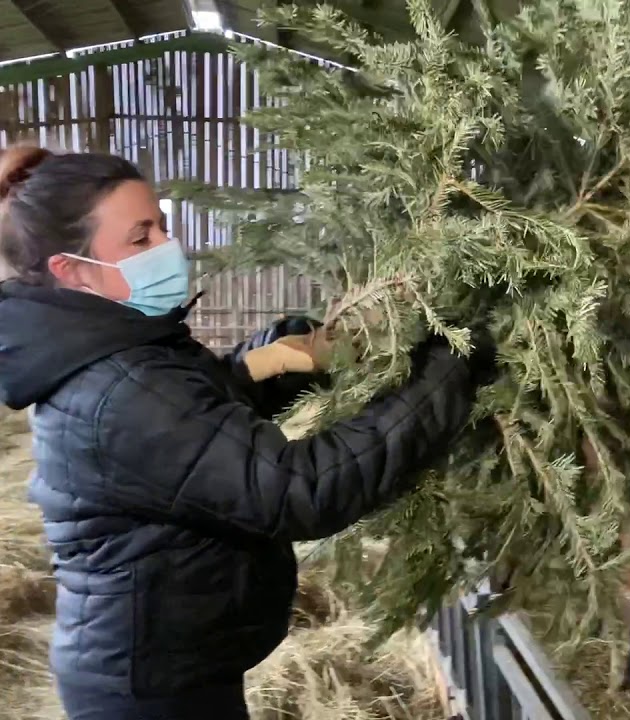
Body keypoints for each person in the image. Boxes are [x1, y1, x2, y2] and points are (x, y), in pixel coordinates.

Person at [0, 145, 498, 720]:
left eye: (162, 225)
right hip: (150, 693)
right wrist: (450, 369)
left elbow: (194, 425)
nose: (169, 246)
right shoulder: (117, 388)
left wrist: (271, 356)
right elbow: (300, 489)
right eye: (140, 239)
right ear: (74, 269)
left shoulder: (110, 349)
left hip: (163, 668)